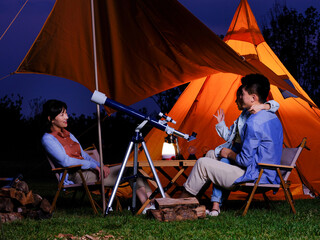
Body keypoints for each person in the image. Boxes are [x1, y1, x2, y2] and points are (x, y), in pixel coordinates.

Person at [181, 74, 283, 217]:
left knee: (202, 163)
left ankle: (180, 204)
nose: (239, 97)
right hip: (267, 173)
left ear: (253, 98)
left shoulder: (254, 122)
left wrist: (228, 154)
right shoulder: (273, 117)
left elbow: (245, 160)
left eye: (242, 94)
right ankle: (194, 200)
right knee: (211, 154)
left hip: (255, 176)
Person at [41, 99, 154, 213]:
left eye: (66, 113)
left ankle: (151, 203)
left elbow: (84, 154)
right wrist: (94, 166)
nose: (67, 117)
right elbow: (65, 161)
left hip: (89, 171)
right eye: (62, 115)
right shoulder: (48, 139)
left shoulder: (68, 134)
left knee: (135, 168)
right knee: (131, 169)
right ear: (50, 119)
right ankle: (147, 206)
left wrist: (100, 165)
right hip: (76, 174)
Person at [204, 85, 279, 216]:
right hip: (236, 148)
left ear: (253, 98)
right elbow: (229, 136)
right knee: (215, 160)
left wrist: (262, 106)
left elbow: (275, 104)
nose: (236, 100)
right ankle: (213, 202)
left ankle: (216, 205)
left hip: (243, 152)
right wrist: (221, 124)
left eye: (240, 96)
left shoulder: (258, 114)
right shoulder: (243, 116)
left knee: (221, 163)